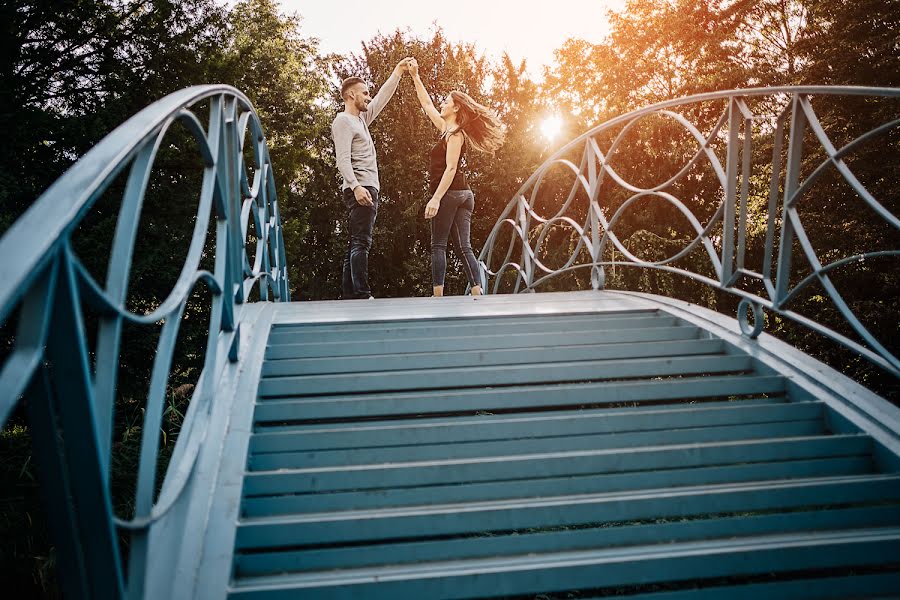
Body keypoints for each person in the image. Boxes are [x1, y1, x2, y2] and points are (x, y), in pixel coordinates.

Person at [407, 57, 505, 297]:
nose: (442, 104)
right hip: (464, 194)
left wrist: (436, 199)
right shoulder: (446, 129)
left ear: (456, 108)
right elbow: (427, 104)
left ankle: (438, 296)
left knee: (438, 244)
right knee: (464, 247)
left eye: (447, 102)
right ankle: (476, 291)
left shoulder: (454, 135)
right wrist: (415, 76)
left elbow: (451, 169)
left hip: (450, 193)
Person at [331, 58, 411, 299]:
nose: (368, 97)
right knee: (361, 243)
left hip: (366, 187)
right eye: (364, 93)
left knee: (355, 243)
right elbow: (342, 160)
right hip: (361, 188)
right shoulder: (343, 121)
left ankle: (350, 295)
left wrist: (397, 72)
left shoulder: (361, 121)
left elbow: (381, 99)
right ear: (351, 95)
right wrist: (356, 187)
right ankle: (362, 294)